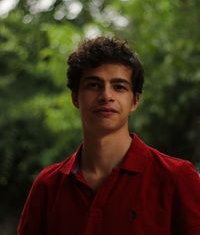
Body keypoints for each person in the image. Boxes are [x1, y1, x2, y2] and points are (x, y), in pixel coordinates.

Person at [18, 36, 200, 235]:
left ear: (135, 101)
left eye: (119, 87)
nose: (106, 96)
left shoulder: (176, 177)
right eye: (94, 85)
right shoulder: (48, 185)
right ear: (75, 97)